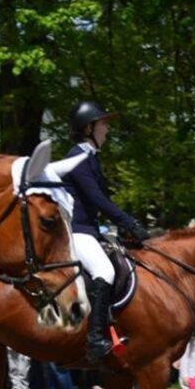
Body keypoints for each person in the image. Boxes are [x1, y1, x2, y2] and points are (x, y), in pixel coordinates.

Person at [63, 101, 150, 362]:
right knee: (105, 271)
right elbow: (98, 199)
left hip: (90, 230)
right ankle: (95, 339)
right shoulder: (77, 159)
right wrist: (129, 223)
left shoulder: (90, 158)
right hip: (77, 231)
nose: (107, 129)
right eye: (103, 123)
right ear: (89, 127)